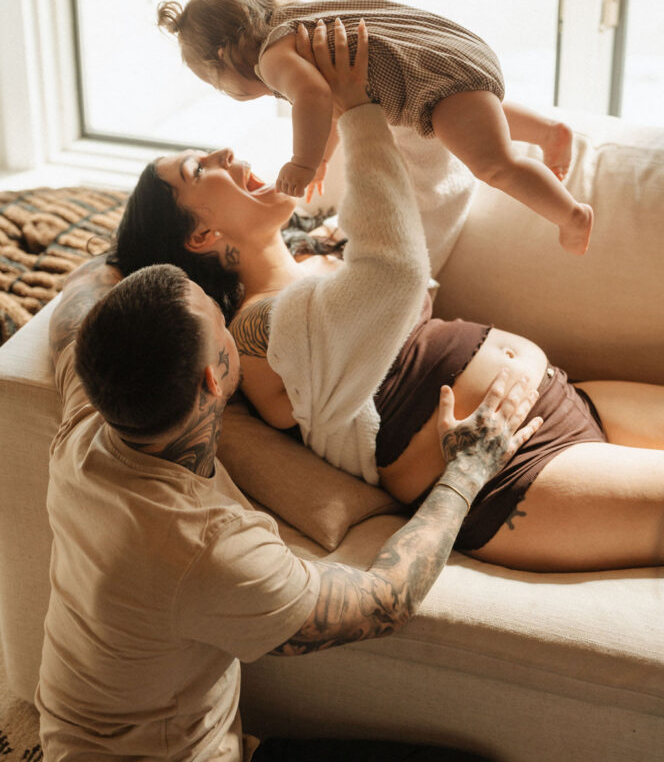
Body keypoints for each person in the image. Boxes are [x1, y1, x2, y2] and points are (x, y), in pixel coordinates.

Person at [35, 67, 543, 760]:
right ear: (215, 378)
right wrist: (468, 470)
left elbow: (80, 298)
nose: (226, 313)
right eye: (217, 318)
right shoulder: (208, 547)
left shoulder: (88, 423)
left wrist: (138, 250)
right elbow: (384, 602)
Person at [114, 19, 664, 575]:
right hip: (513, 478)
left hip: (564, 397)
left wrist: (380, 81)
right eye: (198, 169)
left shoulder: (326, 247)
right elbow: (395, 272)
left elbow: (434, 192)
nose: (224, 151)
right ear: (202, 236)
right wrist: (355, 113)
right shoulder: (255, 332)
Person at [156, 0, 593, 254]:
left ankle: (571, 215)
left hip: (428, 77)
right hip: (445, 58)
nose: (228, 93)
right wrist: (323, 158)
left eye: (219, 85)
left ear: (223, 57)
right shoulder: (296, 22)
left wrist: (302, 162)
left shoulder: (272, 58)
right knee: (463, 113)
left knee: (495, 165)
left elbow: (312, 97)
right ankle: (548, 132)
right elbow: (326, 106)